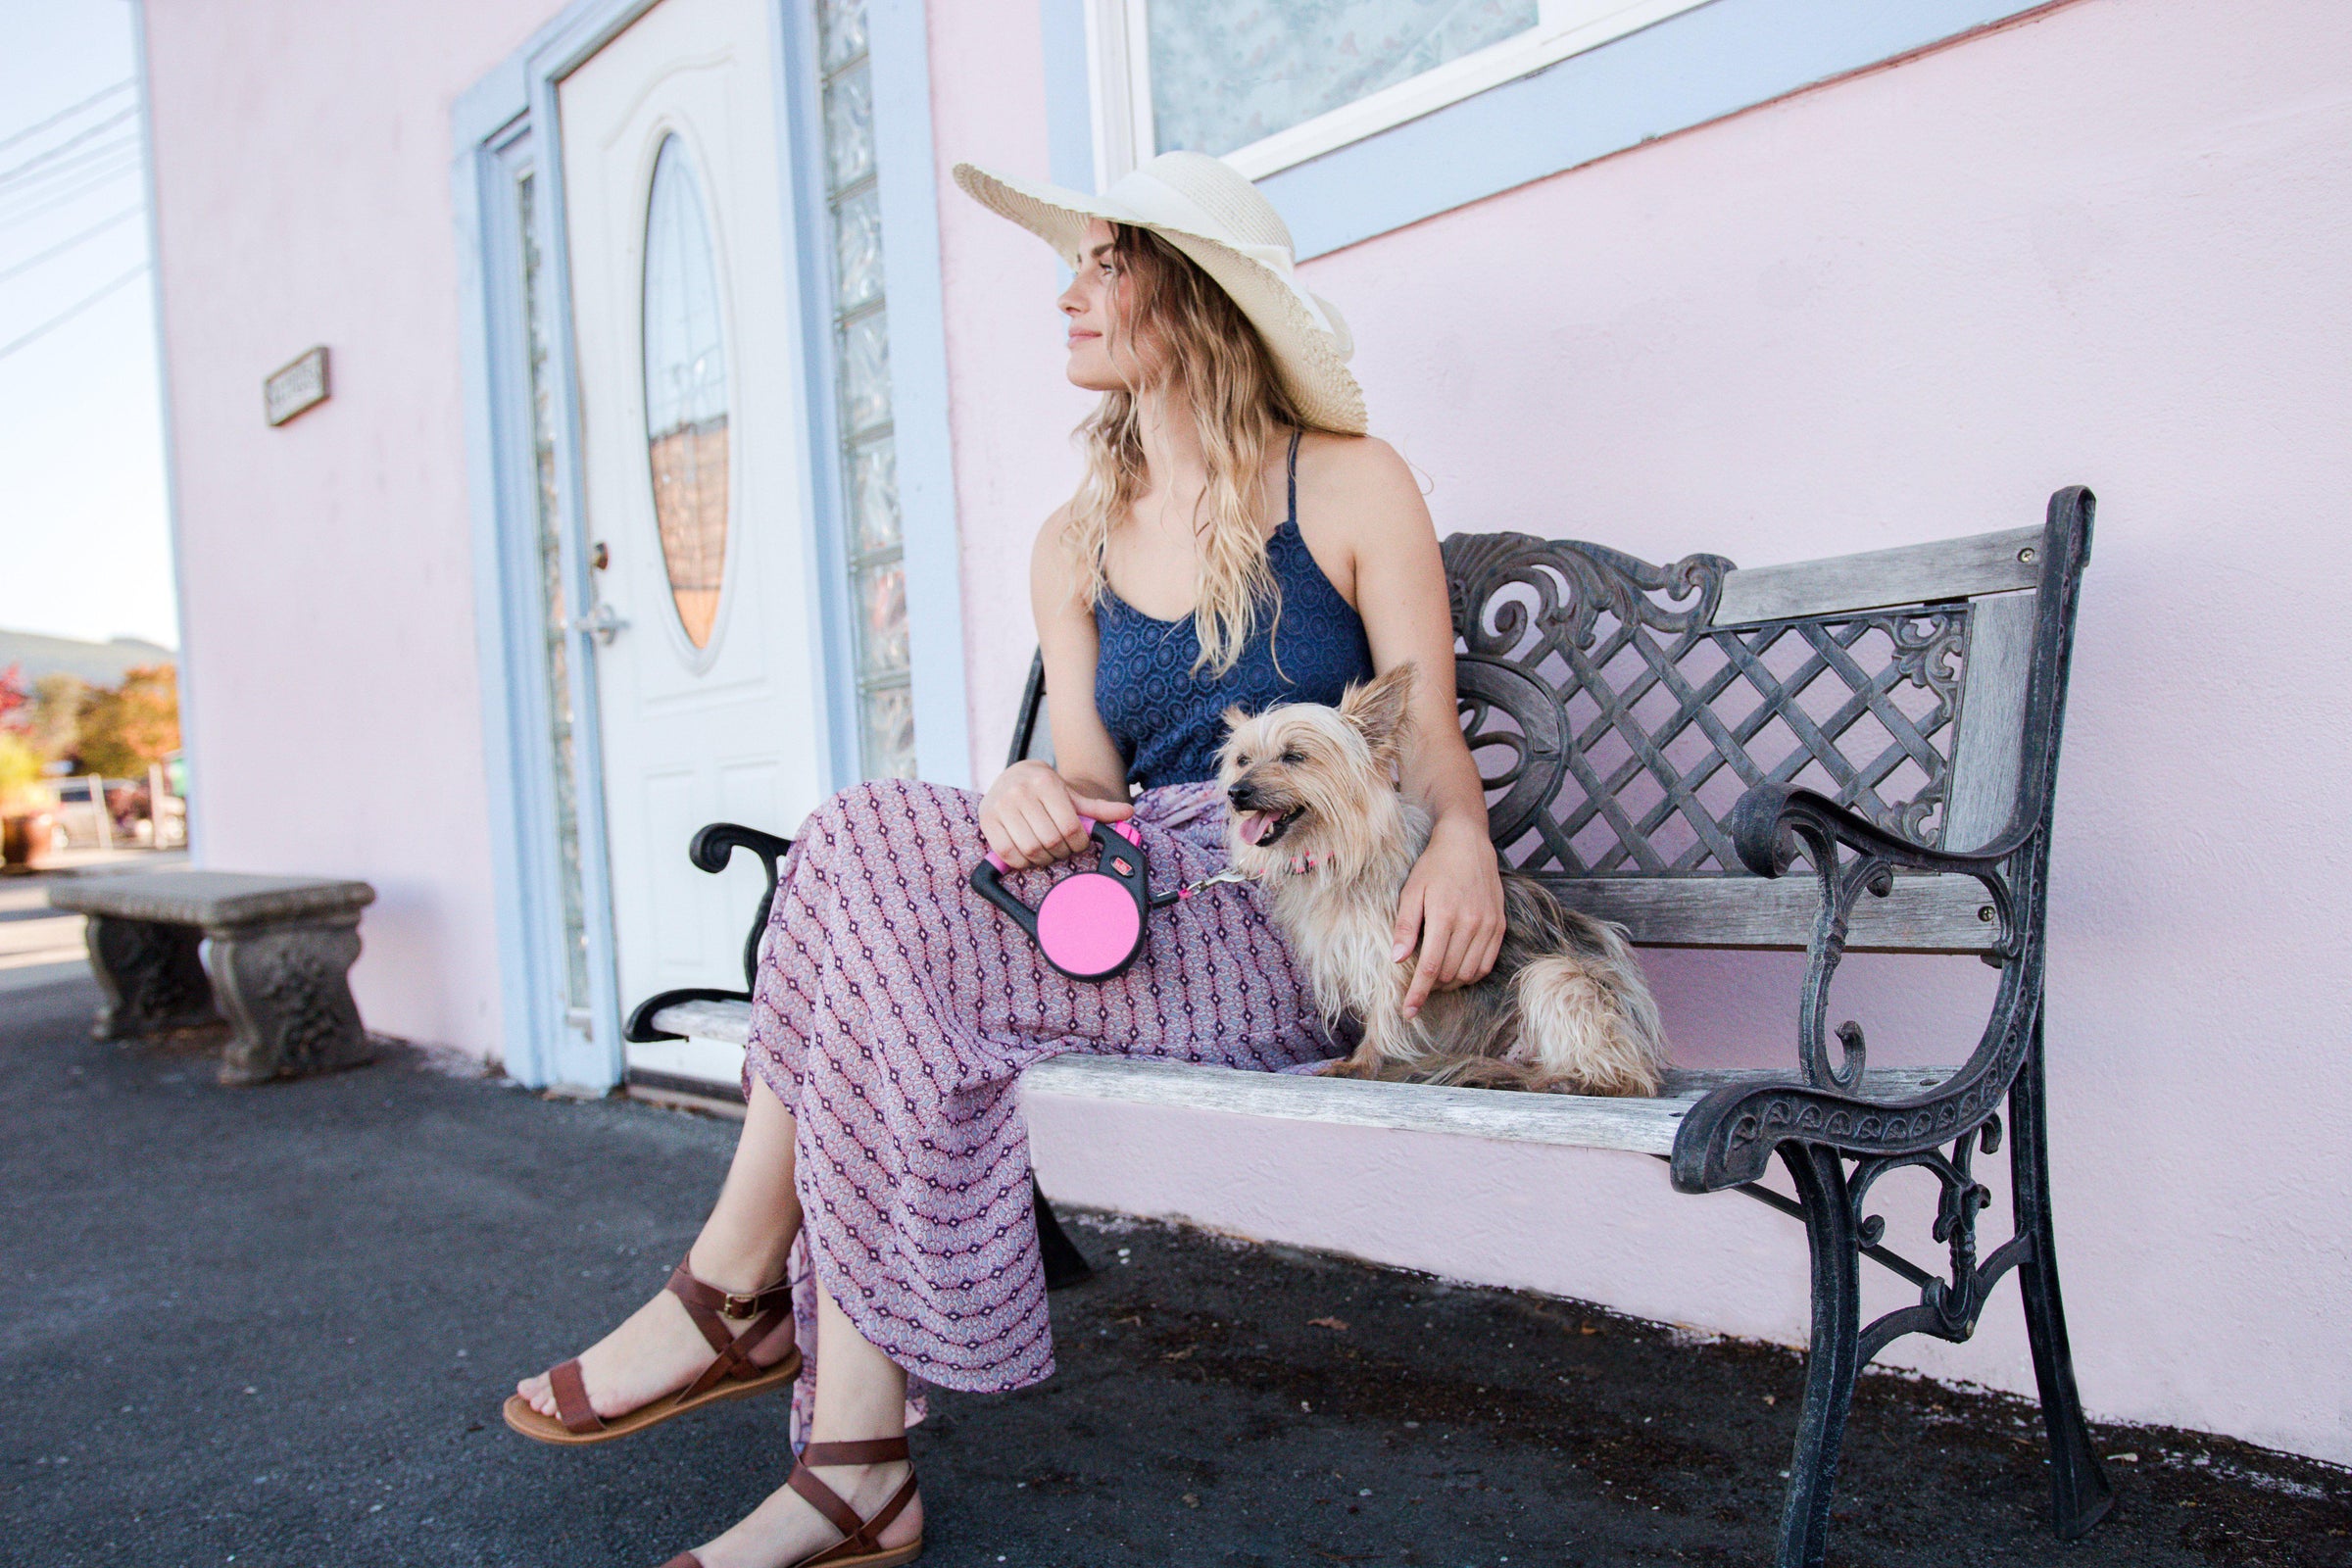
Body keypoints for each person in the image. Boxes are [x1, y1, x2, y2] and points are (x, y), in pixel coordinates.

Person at [505, 149, 1506, 1568]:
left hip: (1276, 922)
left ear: (1193, 292)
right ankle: (838, 1441)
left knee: (870, 914)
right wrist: (1038, 783)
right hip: (1120, 897)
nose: (1068, 292)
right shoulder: (1074, 539)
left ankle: (772, 1345)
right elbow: (1098, 777)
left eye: (1106, 263)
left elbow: (1431, 745)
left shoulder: (1346, 484)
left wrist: (1463, 844)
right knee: (862, 859)